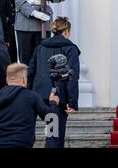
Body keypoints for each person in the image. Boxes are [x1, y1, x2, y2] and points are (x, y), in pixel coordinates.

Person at [0, 63, 59, 148]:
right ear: (24, 79)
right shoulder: (32, 96)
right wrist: (53, 103)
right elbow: (52, 119)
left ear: (7, 79)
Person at [28, 17, 80, 148]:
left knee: (43, 131)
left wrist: (28, 94)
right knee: (55, 134)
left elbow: (31, 71)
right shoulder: (70, 48)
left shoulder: (40, 46)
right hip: (58, 96)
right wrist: (72, 101)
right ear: (67, 31)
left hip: (38, 94)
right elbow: (72, 76)